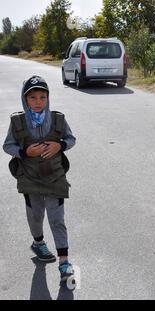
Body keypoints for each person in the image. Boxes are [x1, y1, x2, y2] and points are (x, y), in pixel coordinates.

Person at [3, 75, 76, 283]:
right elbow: (7, 146)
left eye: (42, 97)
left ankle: (64, 263)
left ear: (48, 98)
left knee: (57, 219)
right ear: (25, 100)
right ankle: (38, 242)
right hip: (29, 178)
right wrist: (25, 152)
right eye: (33, 97)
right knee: (36, 216)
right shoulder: (17, 121)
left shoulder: (58, 119)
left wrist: (59, 145)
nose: (38, 102)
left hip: (55, 177)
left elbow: (71, 139)